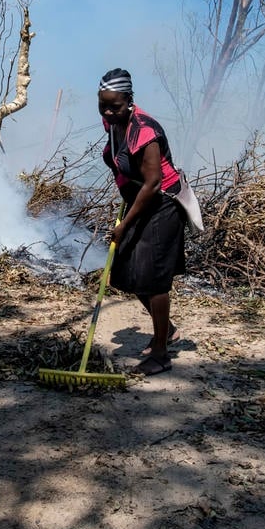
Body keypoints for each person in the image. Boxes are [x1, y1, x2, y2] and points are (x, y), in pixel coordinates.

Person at [98, 67, 185, 375]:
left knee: (153, 277)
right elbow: (121, 165)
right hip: (138, 199)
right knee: (126, 272)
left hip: (163, 204)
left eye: (115, 105)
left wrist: (124, 224)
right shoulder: (112, 123)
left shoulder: (146, 130)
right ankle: (169, 329)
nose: (108, 111)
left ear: (129, 100)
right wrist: (126, 197)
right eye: (103, 104)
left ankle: (161, 353)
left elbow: (153, 184)